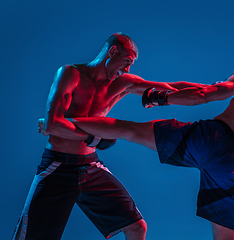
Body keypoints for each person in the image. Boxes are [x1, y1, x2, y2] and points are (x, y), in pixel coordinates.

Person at [39, 39, 234, 240]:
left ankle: (61, 123)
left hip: (211, 139)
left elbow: (200, 95)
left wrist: (160, 98)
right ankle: (60, 124)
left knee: (129, 130)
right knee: (226, 236)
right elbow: (193, 89)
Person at [13, 32, 201, 240]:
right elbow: (53, 125)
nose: (128, 69)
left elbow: (172, 88)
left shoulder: (122, 83)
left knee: (137, 227)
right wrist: (94, 138)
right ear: (112, 52)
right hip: (57, 167)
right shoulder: (70, 74)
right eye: (127, 62)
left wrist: (225, 86)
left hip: (90, 166)